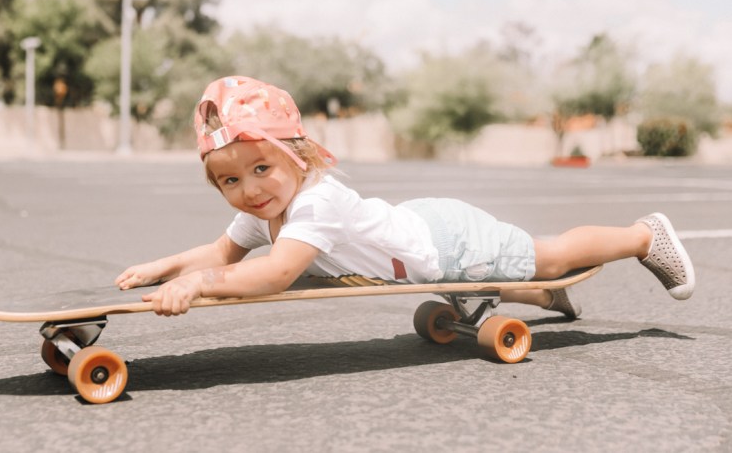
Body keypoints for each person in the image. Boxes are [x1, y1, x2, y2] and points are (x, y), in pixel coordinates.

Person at [116, 76, 695, 318]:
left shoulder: (313, 206)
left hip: (448, 244)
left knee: (554, 253)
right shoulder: (269, 207)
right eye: (229, 181)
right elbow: (221, 254)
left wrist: (198, 286)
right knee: (517, 273)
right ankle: (544, 297)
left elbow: (273, 275)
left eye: (261, 167)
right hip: (417, 234)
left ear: (296, 155)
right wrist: (163, 267)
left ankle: (644, 235)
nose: (248, 190)